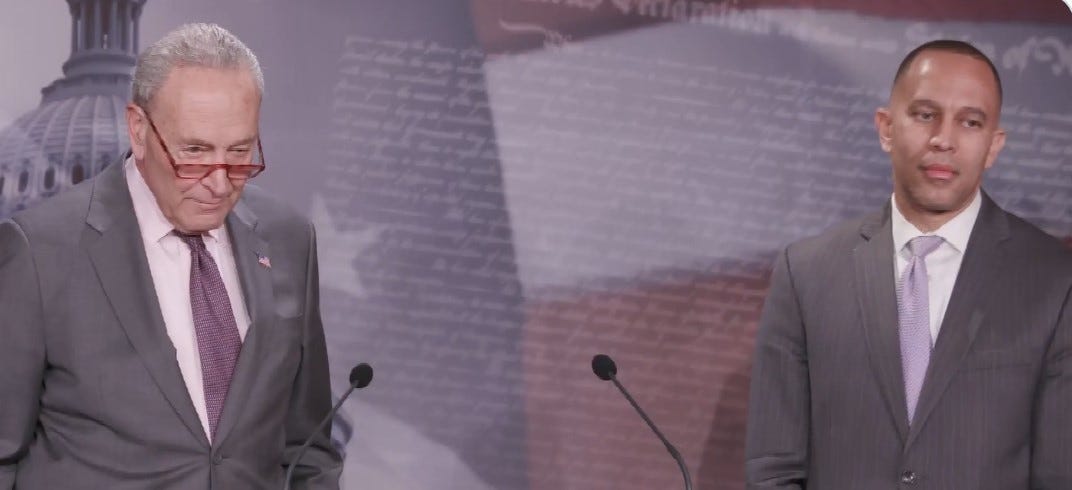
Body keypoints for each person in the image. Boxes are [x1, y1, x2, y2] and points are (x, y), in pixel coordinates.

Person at [0, 23, 340, 488]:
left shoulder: (289, 241)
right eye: (194, 153)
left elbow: (309, 447)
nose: (219, 184)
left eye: (239, 152)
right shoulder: (40, 252)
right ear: (139, 130)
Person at [745, 39, 1072, 489]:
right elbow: (773, 471)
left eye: (970, 122)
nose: (944, 139)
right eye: (924, 114)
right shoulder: (805, 274)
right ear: (886, 128)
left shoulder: (1054, 280)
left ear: (993, 146)